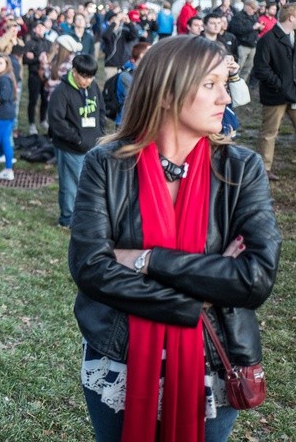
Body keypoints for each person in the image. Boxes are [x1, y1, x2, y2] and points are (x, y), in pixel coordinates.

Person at [69, 35, 280, 442]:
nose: (225, 98)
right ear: (166, 94)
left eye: (225, 83)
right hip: (121, 354)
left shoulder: (242, 169)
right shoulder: (106, 166)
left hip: (213, 360)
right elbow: (91, 269)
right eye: (210, 84)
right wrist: (199, 294)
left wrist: (146, 259)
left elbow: (254, 279)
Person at [47, 54, 105, 228]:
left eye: (91, 77)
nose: (87, 81)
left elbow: (100, 110)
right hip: (70, 147)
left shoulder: (93, 87)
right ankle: (67, 218)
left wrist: (100, 132)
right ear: (74, 72)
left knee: (89, 183)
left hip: (92, 144)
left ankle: (84, 213)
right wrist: (76, 139)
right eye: (84, 76)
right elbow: (57, 122)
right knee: (70, 184)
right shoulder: (61, 92)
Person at [252, 2, 296, 181]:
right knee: (269, 133)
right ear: (292, 18)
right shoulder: (267, 39)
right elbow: (261, 69)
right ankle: (264, 168)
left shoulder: (294, 36)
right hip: (275, 95)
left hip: (294, 93)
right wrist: (279, 84)